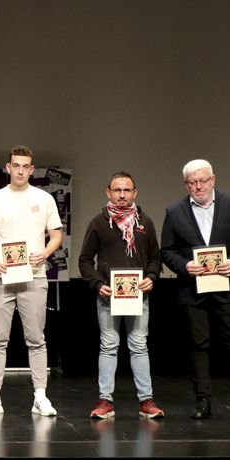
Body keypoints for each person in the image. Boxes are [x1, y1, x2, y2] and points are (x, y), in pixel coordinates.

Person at [160, 159, 230, 421]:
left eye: (203, 180)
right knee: (198, 346)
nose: (198, 186)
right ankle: (202, 401)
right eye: (193, 182)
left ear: (213, 180)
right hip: (192, 290)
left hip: (227, 287)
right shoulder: (174, 211)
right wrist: (186, 266)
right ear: (186, 184)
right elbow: (167, 251)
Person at [0, 146, 64, 417]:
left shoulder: (44, 198)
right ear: (8, 167)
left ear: (32, 169)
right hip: (1, 277)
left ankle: (40, 396)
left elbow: (56, 235)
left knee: (36, 339)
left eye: (25, 166)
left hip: (34, 277)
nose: (21, 170)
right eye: (16, 165)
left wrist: (45, 253)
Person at [78, 171, 164, 420]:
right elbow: (84, 260)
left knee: (138, 346)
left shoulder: (144, 222)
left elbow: (156, 257)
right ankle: (105, 401)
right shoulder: (98, 223)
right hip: (108, 296)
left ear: (135, 193)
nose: (122, 195)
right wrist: (97, 283)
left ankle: (146, 401)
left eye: (127, 190)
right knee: (109, 346)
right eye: (118, 190)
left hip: (138, 297)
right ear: (108, 192)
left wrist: (152, 277)